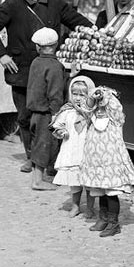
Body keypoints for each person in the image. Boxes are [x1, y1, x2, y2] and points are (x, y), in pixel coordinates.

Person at [0, 0, 92, 173]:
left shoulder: (55, 3)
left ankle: (50, 161)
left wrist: (99, 31)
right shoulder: (13, 4)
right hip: (22, 71)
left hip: (51, 72)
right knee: (25, 117)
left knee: (53, 115)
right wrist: (1, 55)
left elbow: (79, 22)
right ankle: (32, 157)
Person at [79, 85, 134, 237]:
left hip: (110, 163)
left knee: (111, 192)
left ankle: (113, 223)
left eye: (101, 107)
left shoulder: (114, 120)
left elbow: (116, 110)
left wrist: (106, 96)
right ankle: (103, 218)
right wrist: (93, 98)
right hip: (96, 162)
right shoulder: (92, 118)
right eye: (97, 107)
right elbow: (85, 108)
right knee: (100, 190)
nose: (99, 110)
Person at [26, 27, 65, 191]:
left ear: (38, 47)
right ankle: (37, 181)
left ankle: (37, 176)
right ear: (56, 45)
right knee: (45, 145)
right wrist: (57, 115)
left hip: (34, 111)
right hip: (47, 113)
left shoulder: (36, 62)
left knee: (36, 144)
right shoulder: (55, 66)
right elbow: (55, 93)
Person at [51, 75, 96, 218]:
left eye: (82, 95)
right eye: (75, 94)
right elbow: (57, 126)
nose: (77, 98)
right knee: (74, 181)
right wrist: (61, 131)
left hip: (87, 150)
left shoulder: (93, 112)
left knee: (89, 181)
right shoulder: (67, 111)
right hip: (71, 149)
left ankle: (90, 208)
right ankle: (75, 206)